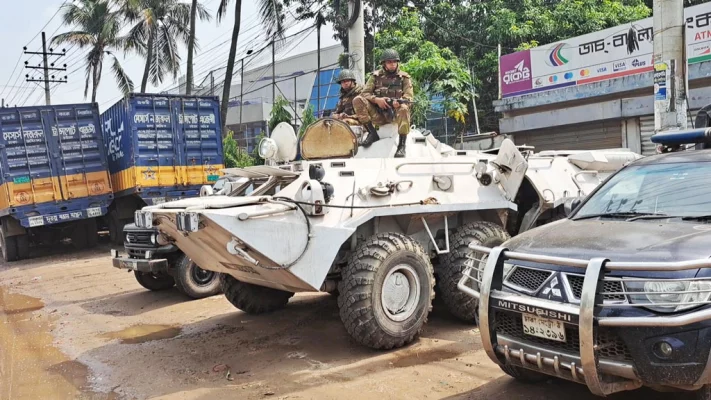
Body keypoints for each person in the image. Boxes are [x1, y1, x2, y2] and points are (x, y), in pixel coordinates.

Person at [352, 48, 414, 158]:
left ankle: (401, 145)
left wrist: (398, 104)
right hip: (378, 114)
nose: (392, 64)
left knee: (404, 107)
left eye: (394, 61)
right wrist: (377, 100)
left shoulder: (404, 78)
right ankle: (372, 133)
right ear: (384, 63)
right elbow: (364, 94)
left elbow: (408, 97)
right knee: (357, 100)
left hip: (395, 115)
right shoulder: (375, 77)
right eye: (389, 62)